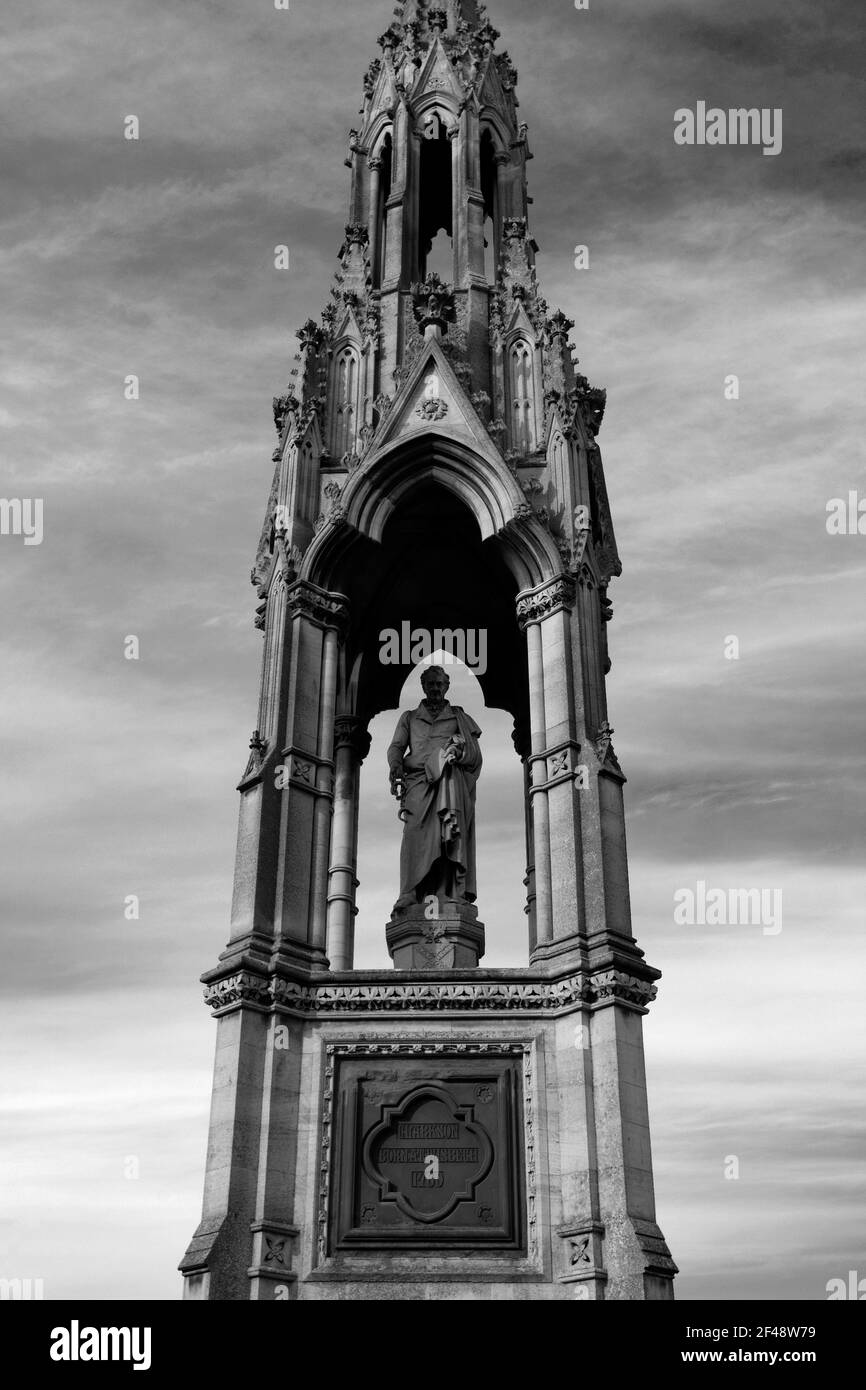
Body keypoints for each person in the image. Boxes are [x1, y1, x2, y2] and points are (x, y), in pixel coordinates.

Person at [387, 665, 482, 913]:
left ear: (447, 686)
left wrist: (457, 752)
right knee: (414, 834)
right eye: (431, 684)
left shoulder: (458, 717)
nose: (436, 688)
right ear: (424, 686)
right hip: (418, 783)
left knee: (447, 836)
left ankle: (447, 892)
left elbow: (473, 753)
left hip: (449, 782)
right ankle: (409, 893)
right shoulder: (409, 717)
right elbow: (396, 747)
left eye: (440, 684)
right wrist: (395, 766)